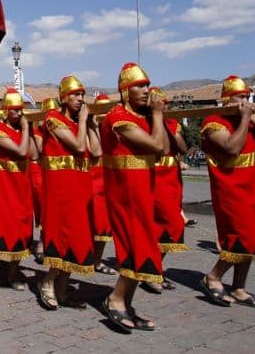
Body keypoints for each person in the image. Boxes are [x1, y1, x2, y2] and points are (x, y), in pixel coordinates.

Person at [198, 76, 255, 309]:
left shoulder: (247, 119)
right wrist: (244, 119)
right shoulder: (213, 123)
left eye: (247, 97)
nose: (246, 101)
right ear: (227, 99)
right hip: (231, 190)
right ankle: (213, 277)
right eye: (240, 97)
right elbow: (232, 147)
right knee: (241, 237)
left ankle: (239, 288)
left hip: (252, 188)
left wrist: (251, 117)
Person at [101, 63, 167, 333]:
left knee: (144, 243)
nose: (146, 90)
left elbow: (165, 150)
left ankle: (126, 303)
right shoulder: (117, 118)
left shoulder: (142, 118)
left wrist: (155, 117)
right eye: (139, 86)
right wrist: (158, 115)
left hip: (144, 192)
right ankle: (115, 299)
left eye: (147, 85)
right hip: (125, 194)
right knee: (135, 244)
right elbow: (158, 146)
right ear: (125, 90)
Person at [37, 76, 101, 310]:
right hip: (61, 189)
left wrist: (92, 125)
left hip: (80, 188)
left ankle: (62, 290)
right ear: (64, 98)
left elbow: (96, 151)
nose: (80, 99)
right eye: (75, 95)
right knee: (62, 236)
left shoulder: (79, 124)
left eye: (82, 95)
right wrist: (83, 120)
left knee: (76, 237)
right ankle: (48, 282)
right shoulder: (53, 119)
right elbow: (78, 146)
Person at [0, 88, 31, 290]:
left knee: (23, 228)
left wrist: (28, 131)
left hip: (22, 185)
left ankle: (12, 272)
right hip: (6, 187)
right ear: (6, 110)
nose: (19, 113)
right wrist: (26, 129)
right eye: (15, 109)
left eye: (21, 109)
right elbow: (20, 151)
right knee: (5, 227)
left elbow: (34, 153)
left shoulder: (21, 131)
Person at [142, 87, 189, 294]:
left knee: (170, 226)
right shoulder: (145, 123)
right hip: (156, 176)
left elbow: (183, 148)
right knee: (167, 223)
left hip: (173, 177)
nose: (166, 108)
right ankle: (150, 271)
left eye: (166, 105)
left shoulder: (171, 124)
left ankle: (156, 270)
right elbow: (161, 148)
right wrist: (157, 120)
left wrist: (170, 127)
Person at [29, 97, 58, 264]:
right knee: (42, 204)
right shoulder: (38, 130)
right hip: (39, 169)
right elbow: (40, 149)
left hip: (54, 170)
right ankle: (41, 241)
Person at [89, 94, 115, 276]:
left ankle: (97, 261)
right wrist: (93, 125)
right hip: (91, 177)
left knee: (104, 224)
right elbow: (95, 150)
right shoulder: (89, 127)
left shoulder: (116, 128)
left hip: (109, 179)